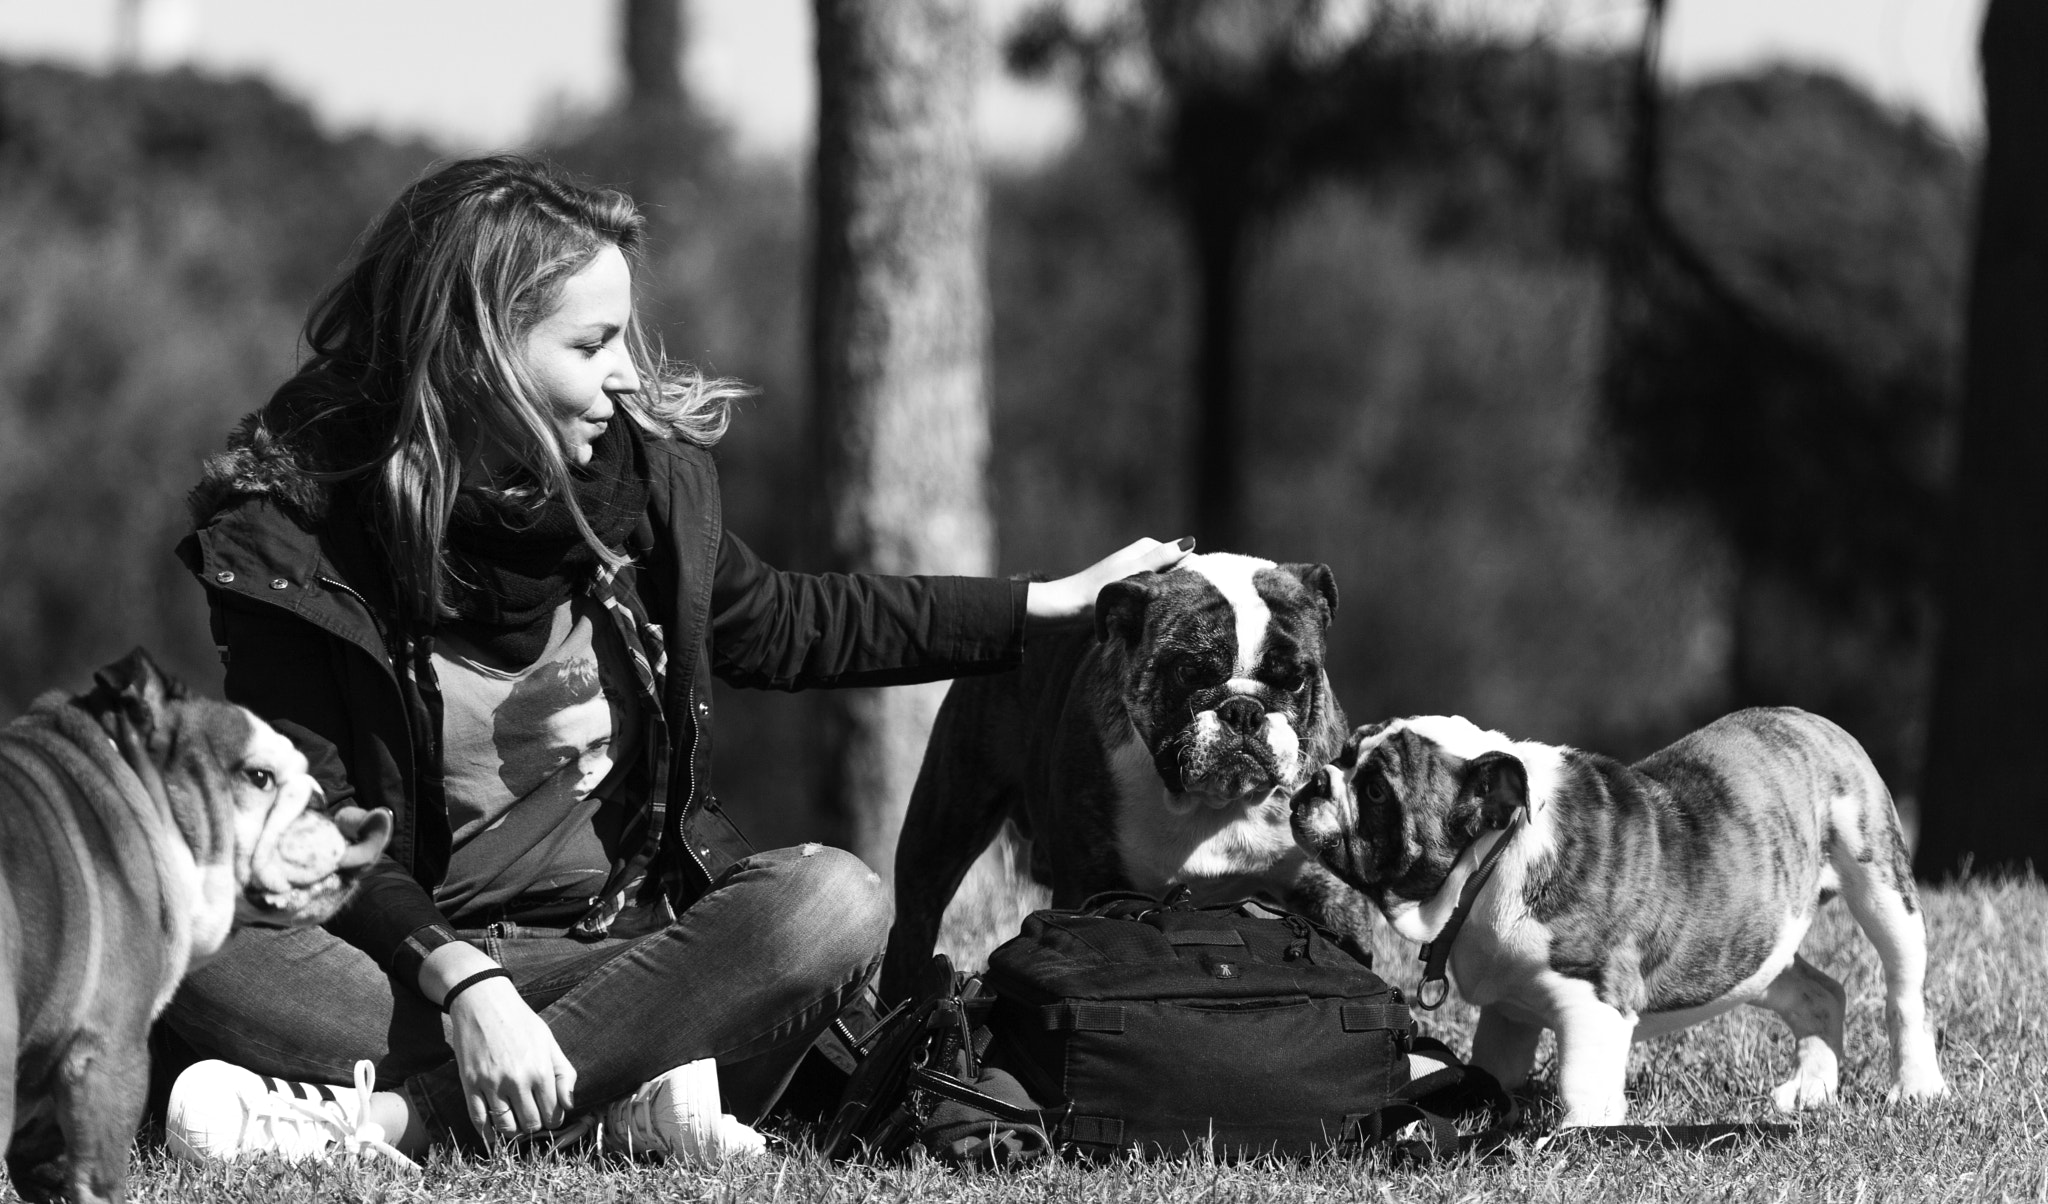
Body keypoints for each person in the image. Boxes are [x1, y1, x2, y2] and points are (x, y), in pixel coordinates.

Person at [160, 153, 1189, 1167]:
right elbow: (325, 833)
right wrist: (467, 983)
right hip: (396, 967)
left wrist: (1043, 607)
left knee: (829, 903)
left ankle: (404, 1123)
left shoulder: (641, 494)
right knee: (187, 925)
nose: (626, 373)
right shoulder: (292, 544)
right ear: (477, 352)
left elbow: (791, 622)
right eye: (592, 343)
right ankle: (620, 1093)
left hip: (630, 950)